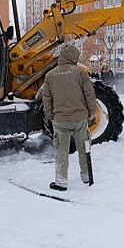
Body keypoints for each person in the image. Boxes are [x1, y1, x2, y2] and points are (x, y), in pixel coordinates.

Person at [42, 44, 96, 191]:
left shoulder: (50, 75)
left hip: (60, 121)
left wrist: (50, 115)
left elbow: (46, 98)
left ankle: (61, 181)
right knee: (83, 147)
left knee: (61, 150)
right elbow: (89, 94)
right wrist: (92, 111)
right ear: (73, 57)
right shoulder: (80, 73)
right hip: (79, 119)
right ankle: (86, 176)